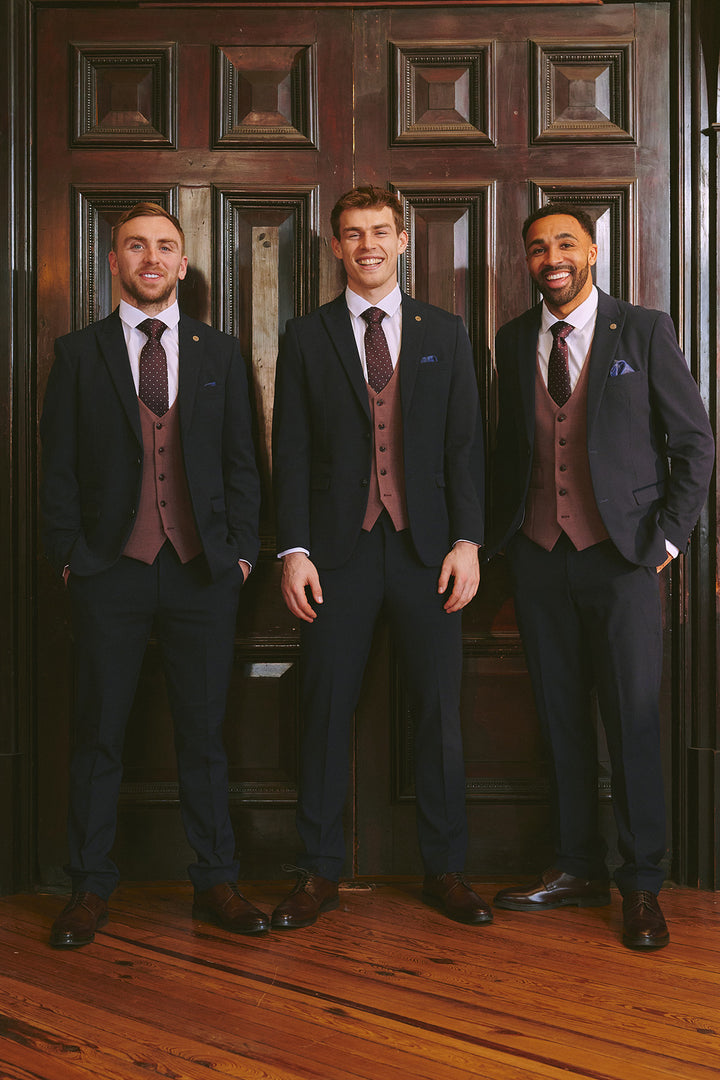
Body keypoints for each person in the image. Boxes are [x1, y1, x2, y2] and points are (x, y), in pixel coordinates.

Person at [488, 203, 714, 949]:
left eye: (563, 243)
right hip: (539, 556)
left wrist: (666, 542)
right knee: (559, 721)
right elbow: (509, 449)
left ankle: (642, 885)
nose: (549, 257)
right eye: (535, 248)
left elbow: (694, 445)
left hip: (622, 561)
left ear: (592, 250)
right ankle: (576, 865)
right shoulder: (515, 339)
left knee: (633, 723)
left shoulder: (643, 329)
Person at [40, 202, 266, 947]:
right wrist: (72, 556)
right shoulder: (78, 354)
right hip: (110, 569)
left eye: (166, 247)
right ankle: (88, 886)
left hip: (204, 572)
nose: (151, 258)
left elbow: (242, 462)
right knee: (99, 732)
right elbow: (59, 469)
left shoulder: (221, 353)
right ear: (114, 261)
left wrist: (238, 552)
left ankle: (217, 882)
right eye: (136, 246)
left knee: (204, 735)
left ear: (182, 265)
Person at [271, 186, 489, 929]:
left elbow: (466, 446)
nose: (367, 244)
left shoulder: (447, 331)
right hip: (337, 553)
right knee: (324, 709)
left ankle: (447, 869)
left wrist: (469, 541)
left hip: (430, 551)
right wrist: (293, 550)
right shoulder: (305, 336)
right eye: (352, 233)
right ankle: (318, 871)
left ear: (403, 241)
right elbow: (291, 453)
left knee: (438, 712)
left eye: (380, 231)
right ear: (335, 247)